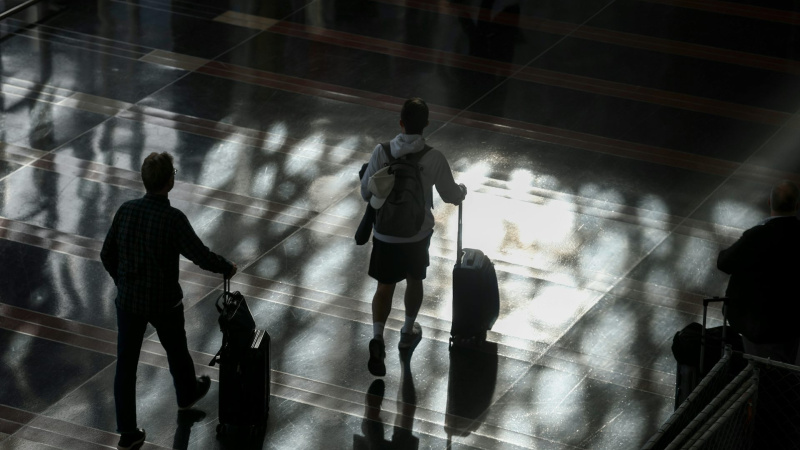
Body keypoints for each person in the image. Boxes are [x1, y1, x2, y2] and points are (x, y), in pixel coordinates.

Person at [101, 152, 237, 450]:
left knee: (126, 366)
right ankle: (187, 393)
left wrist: (123, 281)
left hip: (129, 302)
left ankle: (127, 431)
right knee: (176, 349)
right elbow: (199, 255)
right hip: (164, 302)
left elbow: (106, 254)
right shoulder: (172, 219)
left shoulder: (126, 210)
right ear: (170, 181)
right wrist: (225, 266)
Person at [360, 97, 467, 376]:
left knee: (384, 286)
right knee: (414, 280)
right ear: (426, 125)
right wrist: (461, 193)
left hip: (385, 233)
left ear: (401, 122)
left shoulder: (381, 152)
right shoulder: (434, 158)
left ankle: (377, 337)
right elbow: (450, 195)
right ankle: (407, 331)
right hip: (417, 235)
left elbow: (366, 193)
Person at [717, 180, 800, 364]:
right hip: (792, 322)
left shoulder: (757, 235)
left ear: (769, 203)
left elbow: (724, 263)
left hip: (759, 324)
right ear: (797, 205)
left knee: (762, 372)